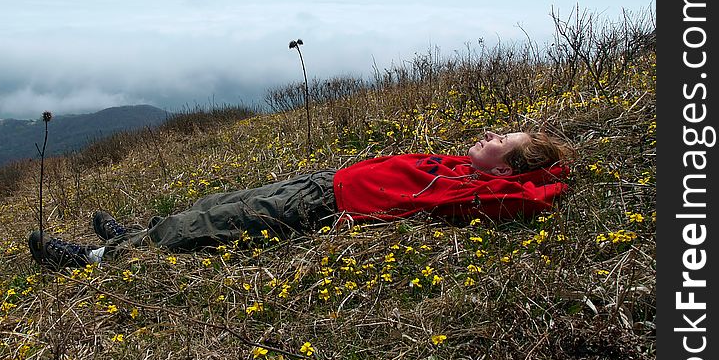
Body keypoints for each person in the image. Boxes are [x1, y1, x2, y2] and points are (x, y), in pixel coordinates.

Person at [29, 130, 573, 269]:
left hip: (319, 207)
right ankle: (132, 236)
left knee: (216, 226)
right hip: (321, 180)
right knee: (220, 202)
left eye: (503, 143)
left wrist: (548, 172)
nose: (491, 137)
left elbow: (534, 195)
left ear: (503, 168)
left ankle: (96, 261)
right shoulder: (458, 166)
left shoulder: (475, 189)